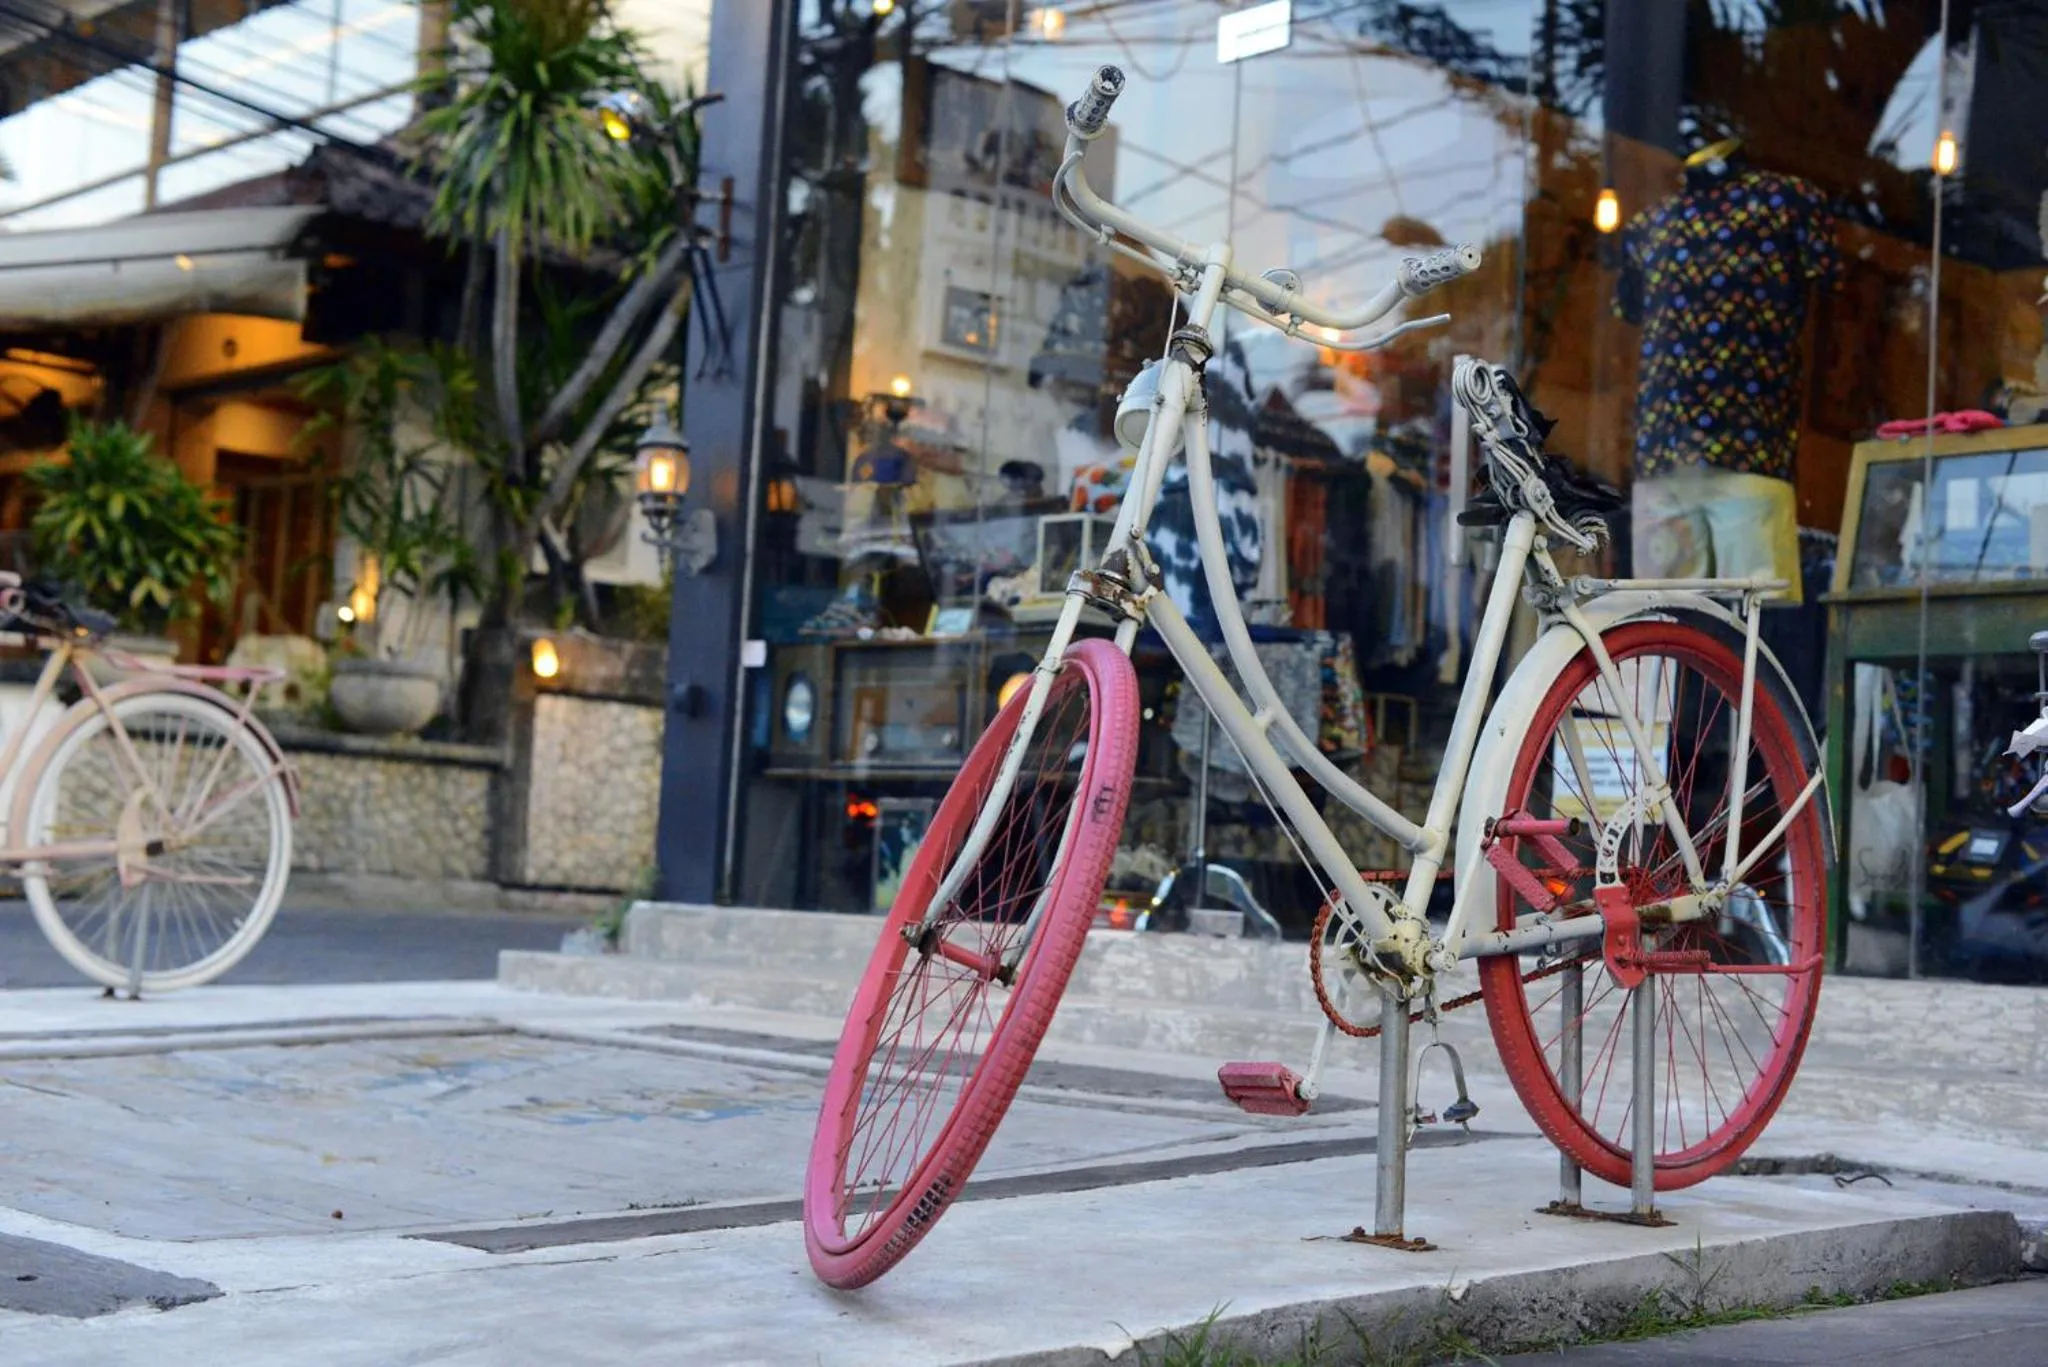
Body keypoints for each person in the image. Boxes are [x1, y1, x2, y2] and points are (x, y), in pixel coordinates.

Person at [1616, 136, 1838, 604]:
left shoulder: (1792, 203)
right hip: (1726, 449)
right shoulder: (1647, 226)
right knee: (1690, 630)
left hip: (1712, 451)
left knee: (1708, 630)